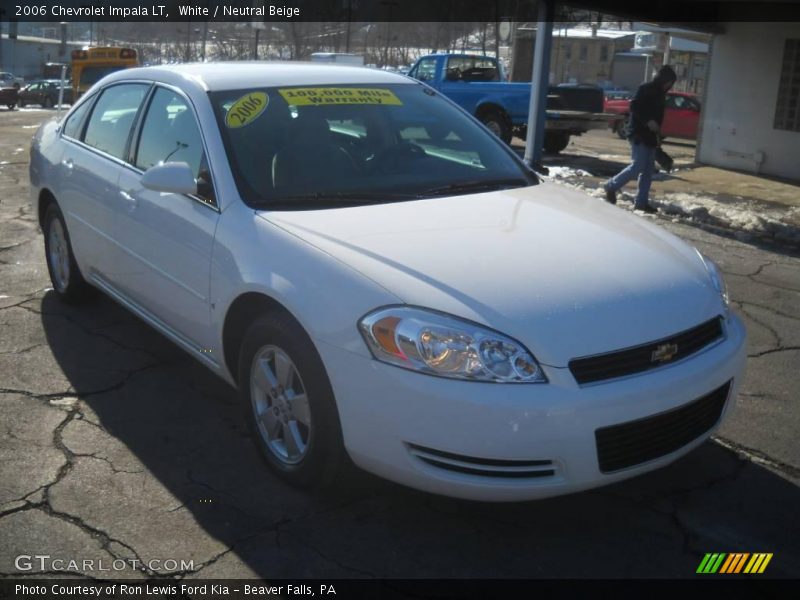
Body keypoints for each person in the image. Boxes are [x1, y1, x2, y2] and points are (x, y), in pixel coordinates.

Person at [603, 65, 677, 214]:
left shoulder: (662, 94)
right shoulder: (646, 88)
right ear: (664, 79)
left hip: (650, 136)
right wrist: (648, 121)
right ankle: (611, 186)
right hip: (638, 133)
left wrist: (658, 136)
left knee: (648, 171)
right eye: (670, 81)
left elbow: (657, 117)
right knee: (638, 166)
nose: (670, 85)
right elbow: (634, 106)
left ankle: (641, 203)